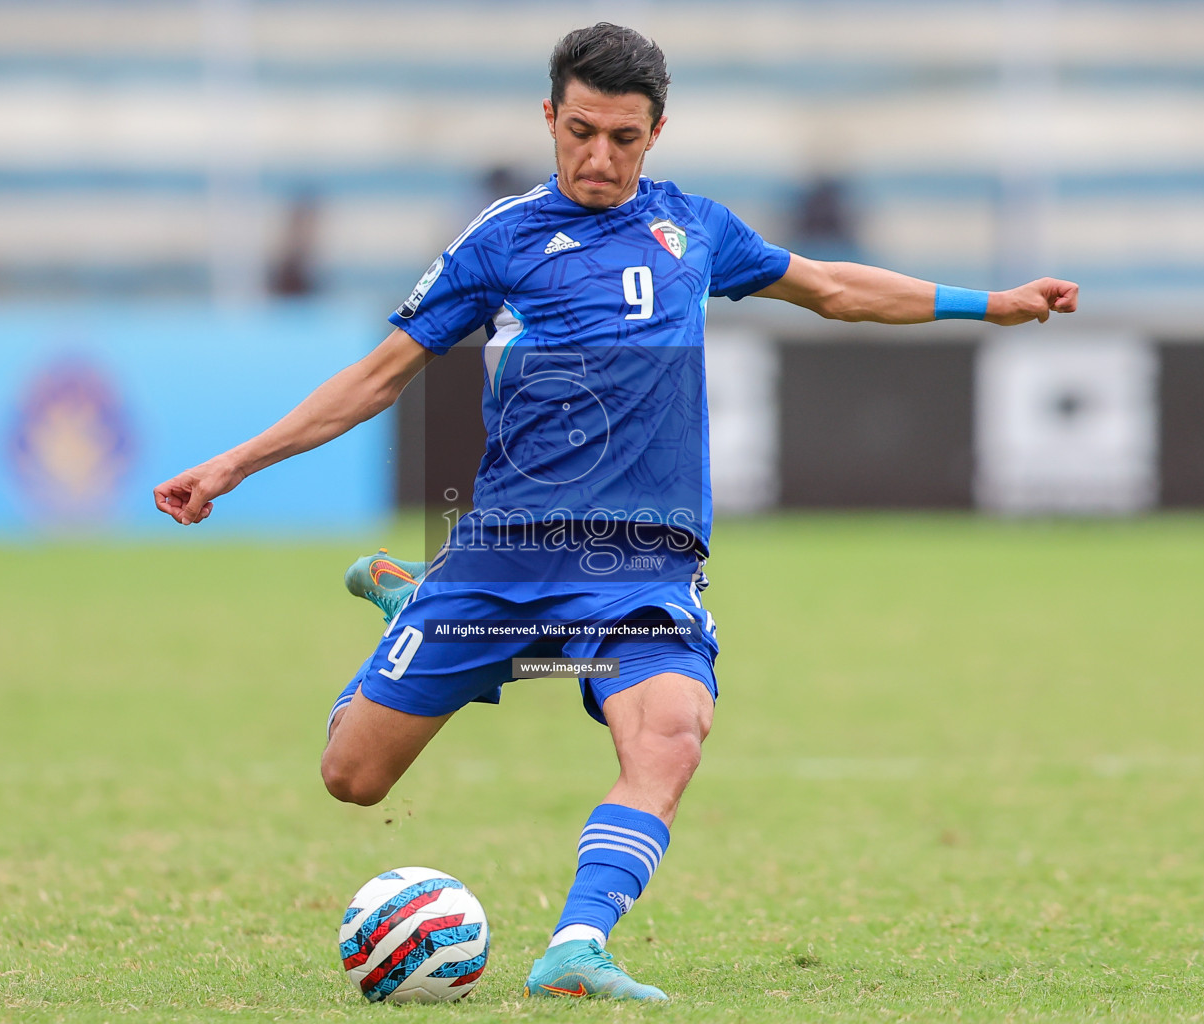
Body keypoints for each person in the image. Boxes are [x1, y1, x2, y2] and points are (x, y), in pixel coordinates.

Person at [153, 22, 1078, 1002]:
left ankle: (578, 942)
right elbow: (381, 376)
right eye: (582, 131)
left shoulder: (697, 230)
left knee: (672, 732)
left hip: (643, 561)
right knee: (353, 776)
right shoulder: (499, 241)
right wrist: (236, 463)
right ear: (550, 117)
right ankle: (431, 601)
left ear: (658, 132)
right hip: (503, 555)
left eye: (624, 138)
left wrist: (992, 304)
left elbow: (836, 287)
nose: (600, 156)